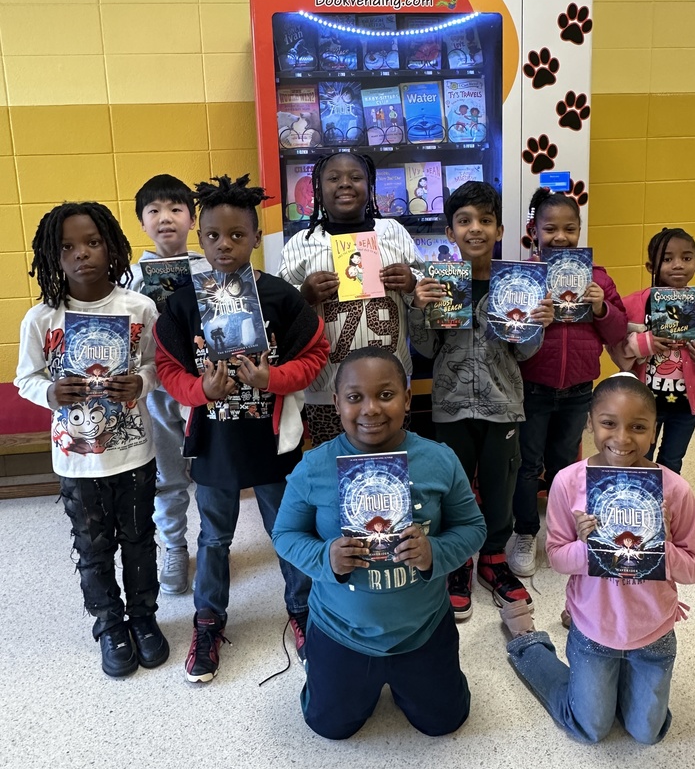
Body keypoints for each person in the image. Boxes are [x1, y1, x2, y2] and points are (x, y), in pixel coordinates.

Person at [153, 174, 330, 684]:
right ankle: (208, 621)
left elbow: (315, 353)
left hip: (273, 442)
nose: (224, 245)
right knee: (213, 537)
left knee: (287, 530)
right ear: (200, 237)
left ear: (255, 237)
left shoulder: (278, 297)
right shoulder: (183, 303)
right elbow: (167, 368)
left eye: (236, 235)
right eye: (212, 235)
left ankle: (303, 611)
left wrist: (272, 379)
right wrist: (200, 390)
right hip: (215, 444)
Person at [272, 347, 486, 740]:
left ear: (407, 397)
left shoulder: (439, 460)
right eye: (355, 397)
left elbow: (472, 527)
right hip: (340, 629)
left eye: (386, 395)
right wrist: (325, 557)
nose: (371, 409)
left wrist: (434, 552)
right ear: (337, 403)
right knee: (328, 726)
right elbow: (284, 534)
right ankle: (326, 670)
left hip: (422, 628)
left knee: (444, 722)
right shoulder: (314, 467)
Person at [502, 374, 695, 745]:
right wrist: (590, 546)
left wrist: (661, 545)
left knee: (648, 733)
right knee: (590, 729)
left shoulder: (675, 490)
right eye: (609, 423)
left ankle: (621, 679)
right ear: (590, 423)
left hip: (653, 631)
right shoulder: (569, 482)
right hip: (594, 629)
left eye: (638, 427)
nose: (623, 438)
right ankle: (528, 642)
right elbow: (558, 558)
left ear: (654, 431)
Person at [15, 202, 168, 678]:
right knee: (92, 546)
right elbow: (25, 378)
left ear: (111, 247)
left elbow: (157, 366)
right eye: (67, 247)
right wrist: (50, 393)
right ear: (52, 256)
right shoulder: (42, 318)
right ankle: (110, 624)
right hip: (76, 460)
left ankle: (143, 617)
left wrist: (141, 382)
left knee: (139, 539)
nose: (81, 254)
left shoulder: (139, 308)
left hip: (134, 452)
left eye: (92, 242)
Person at [409, 181, 554, 619]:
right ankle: (458, 561)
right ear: (449, 233)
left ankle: (493, 558)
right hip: (451, 404)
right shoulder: (439, 284)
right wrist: (418, 308)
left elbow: (524, 353)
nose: (475, 228)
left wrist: (537, 322)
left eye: (485, 220)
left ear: (500, 230)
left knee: (499, 485)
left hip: (503, 404)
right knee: (452, 486)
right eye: (464, 221)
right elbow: (426, 349)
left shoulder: (516, 283)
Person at [508, 188, 628, 579]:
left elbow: (617, 331)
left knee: (565, 466)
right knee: (527, 465)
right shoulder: (522, 275)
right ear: (534, 231)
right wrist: (530, 316)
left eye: (569, 229)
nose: (560, 237)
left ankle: (563, 534)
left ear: (579, 230)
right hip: (532, 387)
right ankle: (526, 532)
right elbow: (507, 335)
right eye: (550, 228)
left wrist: (601, 306)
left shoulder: (598, 278)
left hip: (578, 390)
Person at [278, 151, 421, 446]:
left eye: (355, 177)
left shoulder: (393, 232)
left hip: (390, 385)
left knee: (391, 460)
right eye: (333, 178)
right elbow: (280, 308)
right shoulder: (301, 243)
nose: (345, 184)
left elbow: (424, 290)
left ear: (370, 186)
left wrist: (411, 282)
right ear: (318, 190)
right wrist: (303, 295)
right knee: (333, 462)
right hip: (327, 389)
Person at [608, 226, 695, 473]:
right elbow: (615, 345)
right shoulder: (633, 304)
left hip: (685, 405)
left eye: (686, 258)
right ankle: (640, 494)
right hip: (643, 404)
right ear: (650, 266)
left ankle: (668, 496)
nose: (677, 265)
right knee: (639, 458)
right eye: (666, 259)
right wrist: (644, 344)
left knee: (672, 461)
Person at [130, 173, 199, 595]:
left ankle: (213, 544)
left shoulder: (212, 267)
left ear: (192, 218)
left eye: (176, 208)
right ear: (142, 222)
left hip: (203, 390)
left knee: (210, 474)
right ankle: (175, 546)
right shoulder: (129, 280)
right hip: (156, 393)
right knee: (167, 476)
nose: (165, 218)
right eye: (154, 210)